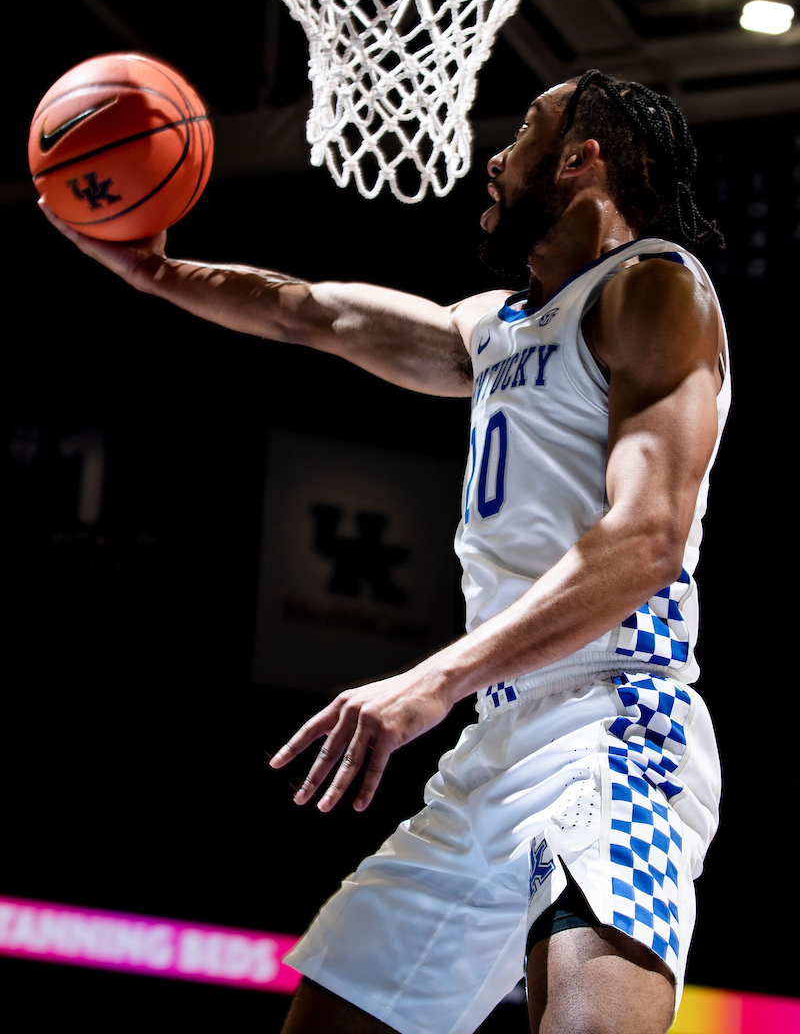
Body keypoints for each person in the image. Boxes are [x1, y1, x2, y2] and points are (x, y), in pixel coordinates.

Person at [43, 69, 729, 1034]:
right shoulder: (497, 328)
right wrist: (158, 273)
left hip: (614, 719)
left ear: (583, 159)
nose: (496, 155)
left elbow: (648, 539)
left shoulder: (651, 289)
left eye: (527, 131)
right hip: (495, 733)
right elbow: (309, 311)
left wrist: (430, 681)